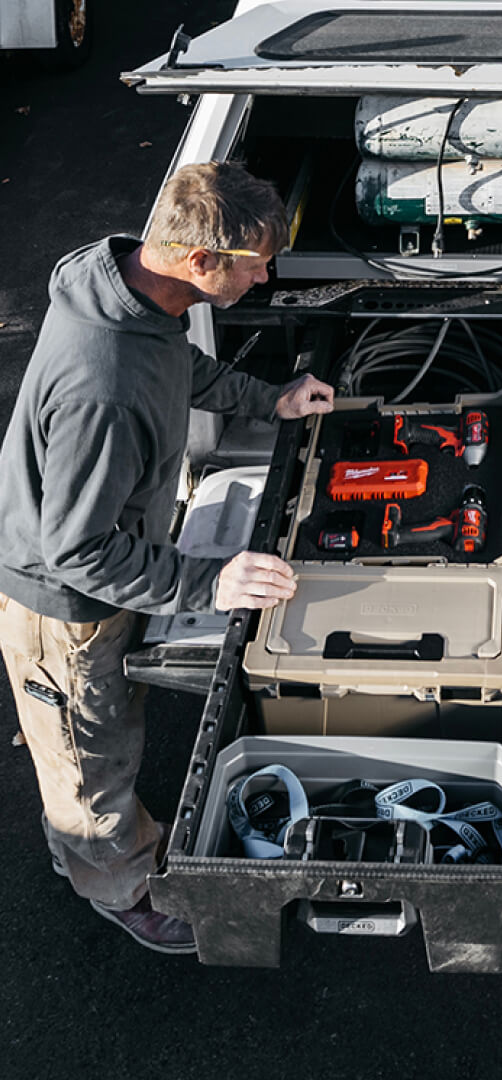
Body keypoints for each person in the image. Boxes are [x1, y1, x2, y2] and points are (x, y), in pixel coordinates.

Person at [0, 161, 334, 955]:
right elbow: (76, 548)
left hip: (99, 565)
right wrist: (207, 581)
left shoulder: (132, 289)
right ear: (199, 262)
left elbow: (175, 367)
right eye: (256, 262)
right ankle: (121, 885)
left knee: (92, 739)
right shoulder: (102, 384)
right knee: (91, 764)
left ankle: (84, 846)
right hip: (64, 609)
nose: (268, 273)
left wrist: (268, 399)